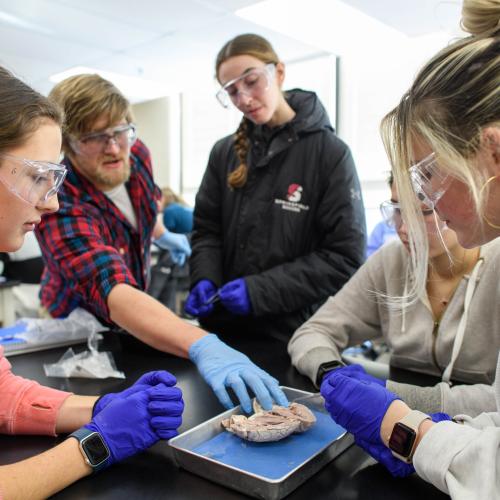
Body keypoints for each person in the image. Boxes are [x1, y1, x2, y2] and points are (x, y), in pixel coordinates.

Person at [319, 1, 500, 497]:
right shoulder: (392, 263)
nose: (427, 208)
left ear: (493, 151)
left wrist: (407, 430)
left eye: (428, 175)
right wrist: (438, 435)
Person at [35, 73, 288, 415]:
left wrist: (160, 233)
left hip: (130, 310)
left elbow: (145, 205)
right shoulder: (56, 199)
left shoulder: (135, 153)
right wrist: (202, 342)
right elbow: (108, 285)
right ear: (68, 143)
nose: (113, 148)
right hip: (74, 328)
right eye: (95, 138)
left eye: (120, 131)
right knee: (92, 409)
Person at [0, 66, 184, 498]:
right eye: (36, 176)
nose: (52, 202)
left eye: (54, 177)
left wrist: (98, 407)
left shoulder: (138, 161)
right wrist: (95, 444)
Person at [185, 34, 366, 341]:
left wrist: (258, 292)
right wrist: (204, 276)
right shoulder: (224, 153)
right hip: (221, 330)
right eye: (231, 91)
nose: (243, 98)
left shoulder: (330, 154)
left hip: (291, 336)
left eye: (251, 81)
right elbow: (206, 231)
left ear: (278, 72)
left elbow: (344, 257)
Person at [289, 172, 500, 417]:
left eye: (424, 212)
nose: (404, 229)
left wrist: (397, 398)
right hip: (396, 425)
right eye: (398, 209)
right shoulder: (391, 261)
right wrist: (331, 373)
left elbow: (496, 401)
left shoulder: (495, 266)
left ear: (467, 201)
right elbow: (312, 332)